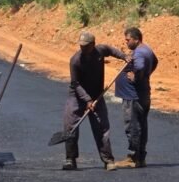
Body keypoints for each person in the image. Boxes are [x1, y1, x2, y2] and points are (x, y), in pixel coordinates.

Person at [62, 32, 127, 171]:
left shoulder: (100, 51)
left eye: (86, 46)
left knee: (102, 126)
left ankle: (108, 160)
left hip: (97, 95)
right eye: (81, 46)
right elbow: (75, 83)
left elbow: (111, 50)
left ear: (93, 44)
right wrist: (87, 100)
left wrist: (124, 57)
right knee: (70, 126)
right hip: (77, 96)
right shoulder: (75, 60)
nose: (83, 48)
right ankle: (70, 159)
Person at [115, 27, 158, 169]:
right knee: (141, 125)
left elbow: (139, 66)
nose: (126, 42)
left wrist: (136, 76)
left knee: (133, 125)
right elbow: (155, 62)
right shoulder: (147, 50)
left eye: (128, 40)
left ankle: (134, 158)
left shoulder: (139, 53)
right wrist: (146, 75)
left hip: (134, 96)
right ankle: (140, 157)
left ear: (136, 39)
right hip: (142, 93)